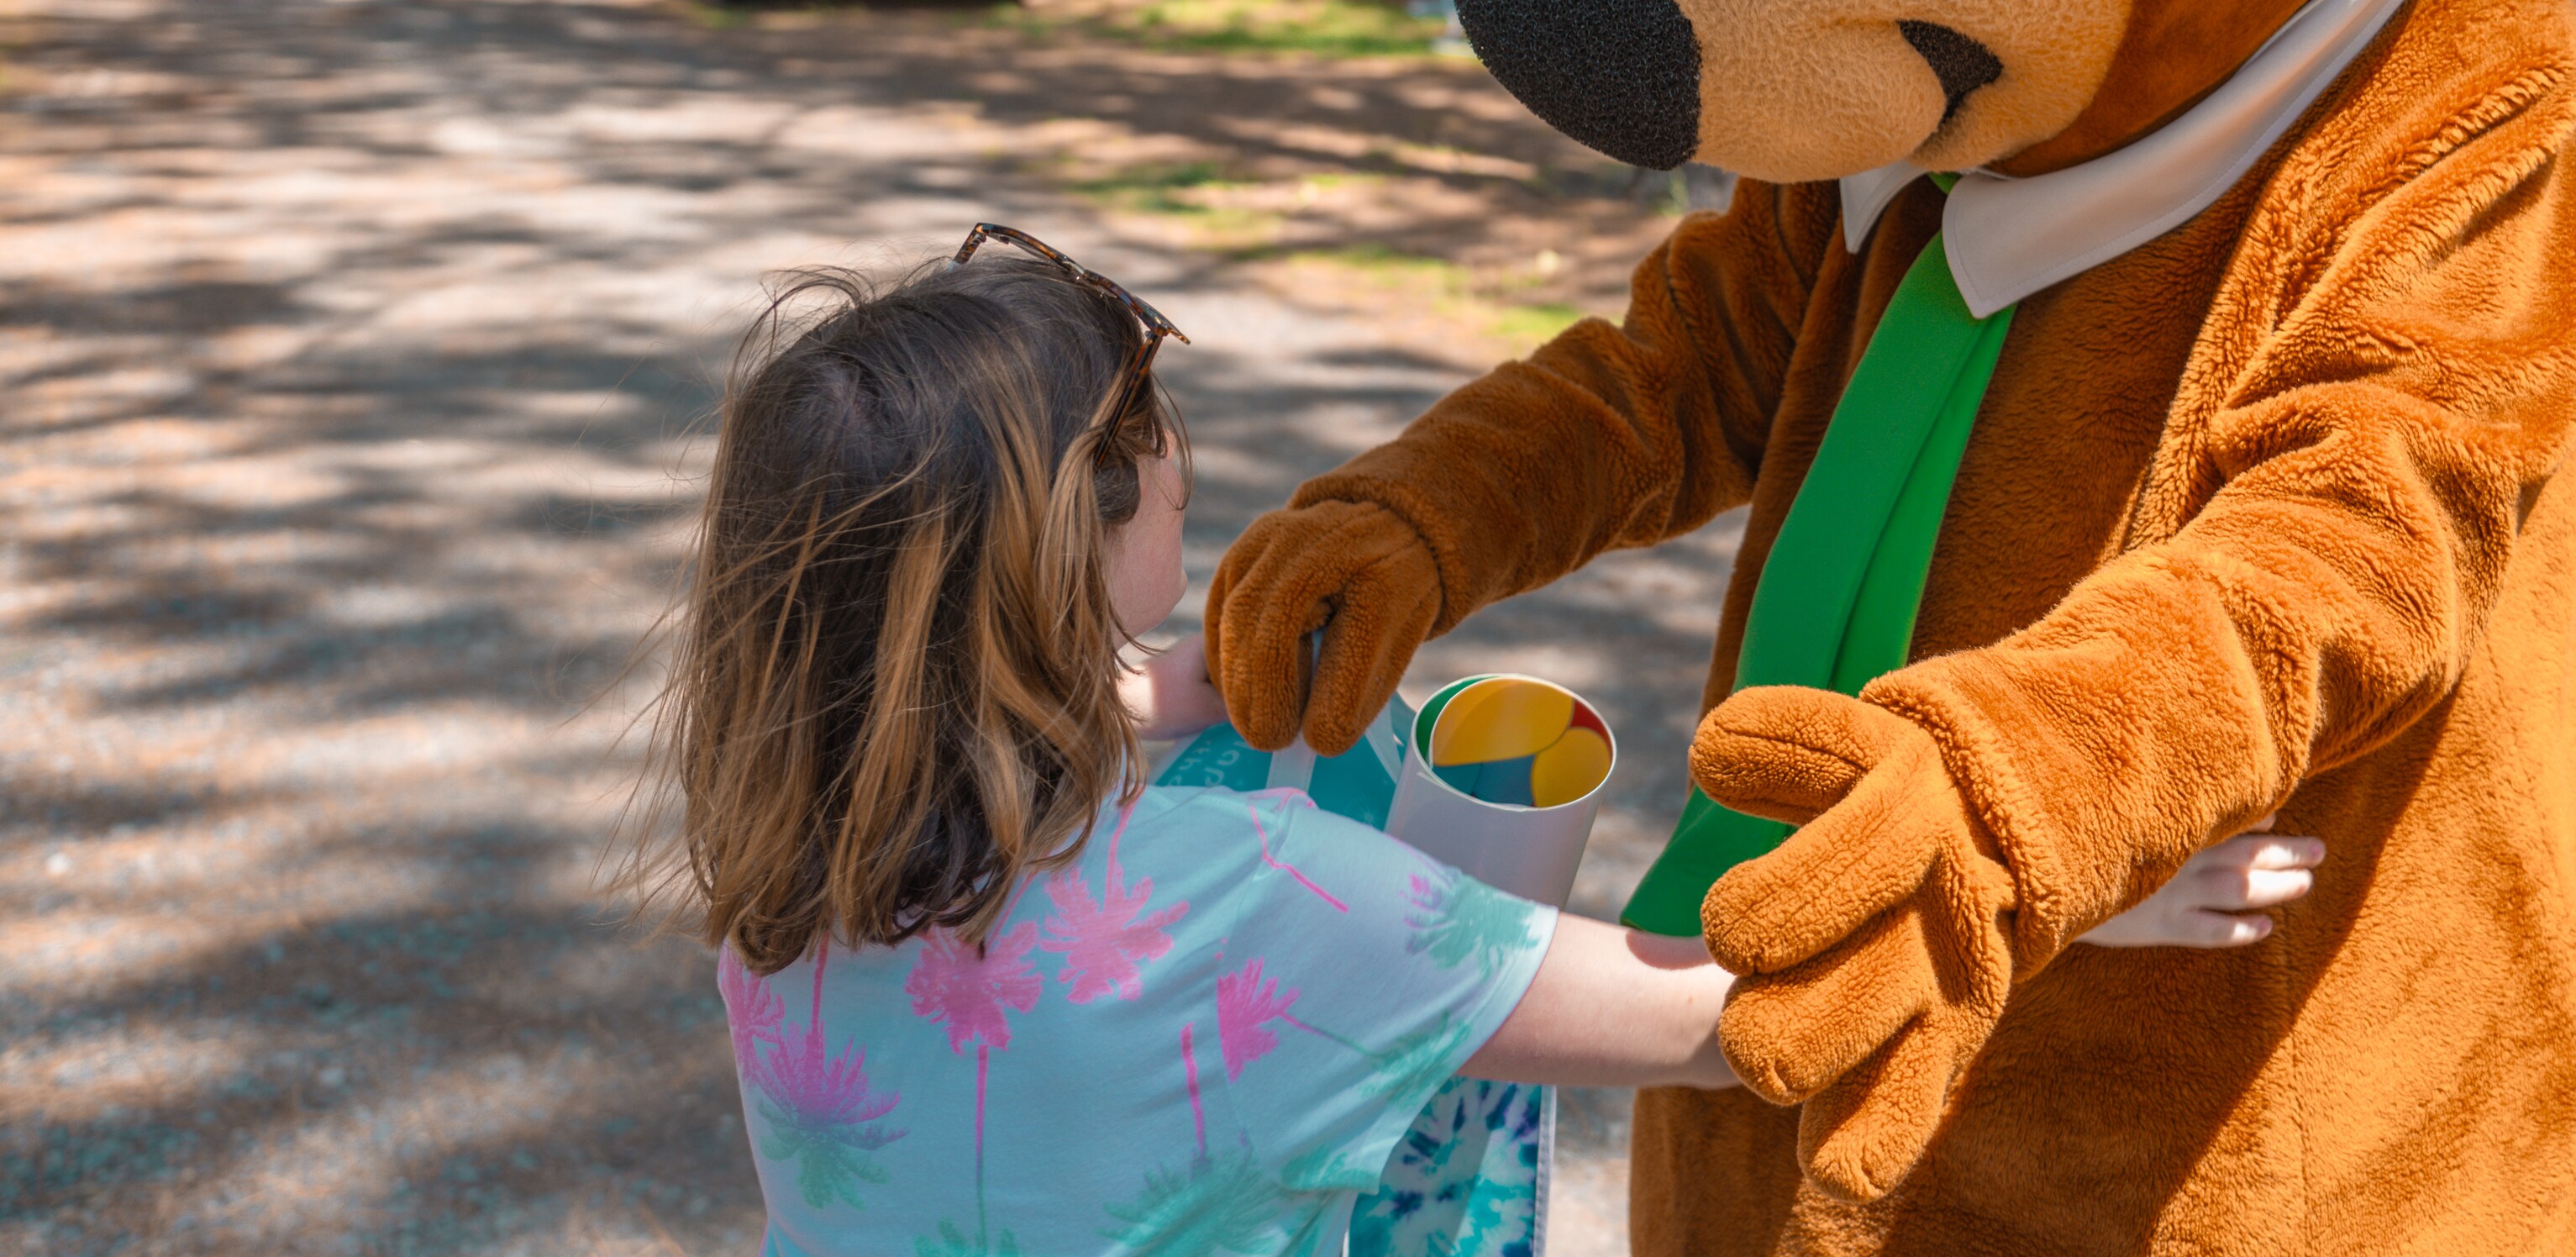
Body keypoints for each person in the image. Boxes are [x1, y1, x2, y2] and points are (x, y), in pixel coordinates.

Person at [637, 227, 2326, 1255]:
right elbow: (1711, 1013)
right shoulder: (1264, 894)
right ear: (1080, 519)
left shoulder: (793, 855)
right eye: (1147, 435)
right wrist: (2048, 879)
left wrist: (1147, 696)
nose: (1185, 454)